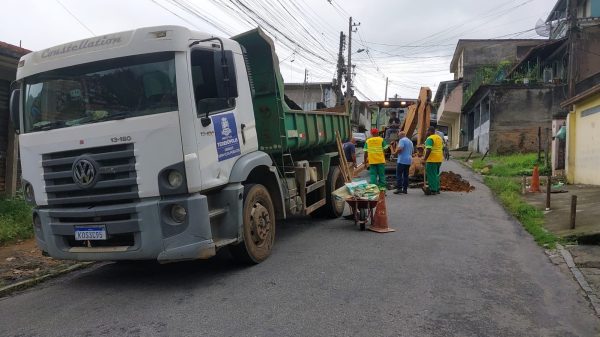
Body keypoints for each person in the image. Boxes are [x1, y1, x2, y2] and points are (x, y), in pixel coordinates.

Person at [423, 126, 444, 195]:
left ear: (430, 131)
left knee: (431, 174)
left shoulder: (430, 138)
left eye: (427, 131)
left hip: (432, 159)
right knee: (436, 174)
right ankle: (437, 188)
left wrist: (424, 159)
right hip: (439, 159)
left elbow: (429, 149)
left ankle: (433, 189)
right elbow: (441, 147)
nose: (426, 132)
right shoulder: (439, 138)